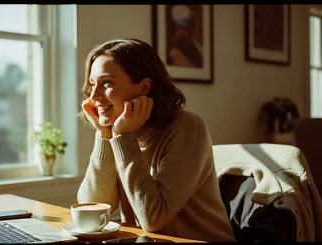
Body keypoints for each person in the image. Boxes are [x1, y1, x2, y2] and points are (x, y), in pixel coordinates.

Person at [77, 38, 236, 242]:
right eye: (92, 84)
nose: (94, 96)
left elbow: (153, 218)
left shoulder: (187, 127)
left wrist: (122, 137)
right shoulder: (118, 131)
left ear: (143, 88)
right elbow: (91, 209)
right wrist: (104, 135)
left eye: (107, 83)